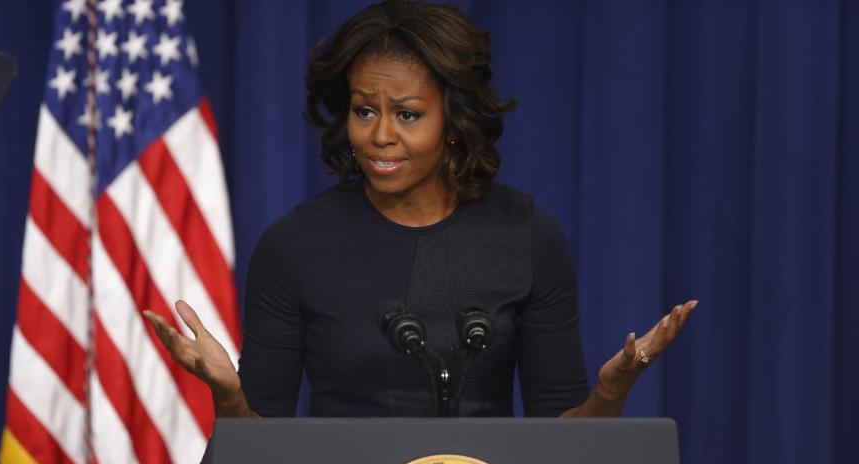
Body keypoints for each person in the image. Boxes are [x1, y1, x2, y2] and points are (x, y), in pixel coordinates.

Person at [143, 0, 696, 419]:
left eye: (407, 115)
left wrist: (611, 390)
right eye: (364, 111)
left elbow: (564, 449)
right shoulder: (295, 246)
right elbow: (263, 454)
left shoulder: (526, 236)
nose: (379, 135)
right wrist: (230, 394)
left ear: (454, 121)